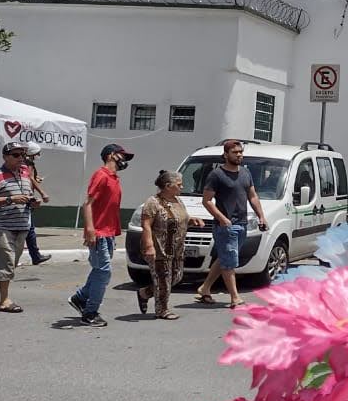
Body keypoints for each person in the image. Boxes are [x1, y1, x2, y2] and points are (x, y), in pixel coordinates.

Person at [195, 140, 268, 308]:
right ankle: (235, 297)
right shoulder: (216, 175)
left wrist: (261, 216)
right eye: (235, 152)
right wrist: (222, 219)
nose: (239, 155)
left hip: (241, 223)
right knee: (229, 261)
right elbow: (207, 201)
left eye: (240, 152)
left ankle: (204, 288)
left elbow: (253, 196)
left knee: (224, 258)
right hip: (225, 226)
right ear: (226, 154)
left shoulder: (245, 173)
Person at [69, 143, 133, 328]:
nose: (125, 160)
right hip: (99, 232)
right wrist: (90, 230)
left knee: (99, 270)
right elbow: (88, 204)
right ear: (112, 155)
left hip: (109, 232)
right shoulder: (101, 175)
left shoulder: (114, 178)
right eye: (123, 156)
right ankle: (90, 312)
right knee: (104, 272)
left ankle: (80, 298)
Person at [0, 141, 36, 313]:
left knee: (9, 264)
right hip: (3, 226)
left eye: (22, 155)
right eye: (16, 155)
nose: (21, 158)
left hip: (22, 226)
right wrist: (10, 199)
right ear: (5, 157)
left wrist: (33, 202)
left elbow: (27, 196)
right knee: (6, 263)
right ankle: (4, 300)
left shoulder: (25, 175)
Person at [136, 170, 199, 320]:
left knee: (176, 277)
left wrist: (191, 220)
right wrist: (149, 246)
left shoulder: (178, 201)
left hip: (176, 249)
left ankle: (145, 293)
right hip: (159, 248)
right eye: (178, 184)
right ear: (167, 186)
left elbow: (180, 218)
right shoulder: (153, 203)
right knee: (163, 280)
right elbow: (146, 225)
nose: (182, 187)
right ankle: (162, 310)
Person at [21, 144, 52, 265]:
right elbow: (30, 179)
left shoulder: (22, 162)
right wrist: (43, 193)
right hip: (27, 197)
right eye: (37, 153)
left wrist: (35, 177)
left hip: (24, 196)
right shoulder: (29, 163)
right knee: (29, 229)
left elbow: (30, 177)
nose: (38, 155)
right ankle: (35, 256)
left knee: (29, 229)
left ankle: (35, 255)